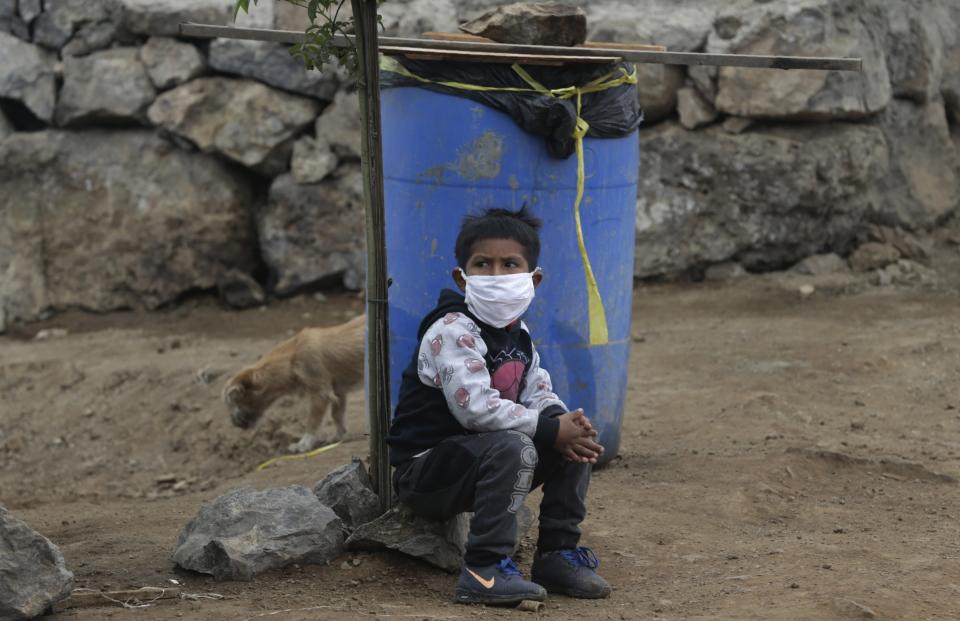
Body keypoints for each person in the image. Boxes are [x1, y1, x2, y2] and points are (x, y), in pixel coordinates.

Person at [386, 206, 610, 605]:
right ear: (462, 276)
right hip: (428, 471)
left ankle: (557, 553)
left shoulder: (518, 334)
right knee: (518, 443)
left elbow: (538, 392)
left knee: (574, 441)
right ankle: (484, 570)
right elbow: (476, 409)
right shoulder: (452, 329)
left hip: (484, 464)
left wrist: (562, 422)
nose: (496, 275)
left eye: (510, 264)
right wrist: (547, 429)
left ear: (533, 278)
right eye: (482, 264)